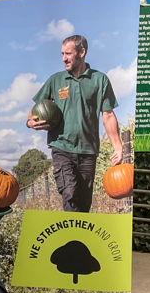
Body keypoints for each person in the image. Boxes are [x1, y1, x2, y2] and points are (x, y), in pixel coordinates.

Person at [27, 34, 122, 214]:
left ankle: (80, 239)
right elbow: (34, 110)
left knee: (84, 203)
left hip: (88, 150)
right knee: (69, 193)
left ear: (82, 52)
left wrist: (117, 147)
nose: (64, 58)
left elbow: (108, 115)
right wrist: (30, 122)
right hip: (62, 147)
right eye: (62, 54)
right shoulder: (56, 80)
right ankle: (70, 240)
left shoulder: (100, 80)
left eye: (68, 54)